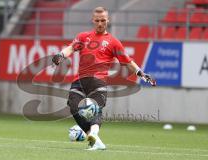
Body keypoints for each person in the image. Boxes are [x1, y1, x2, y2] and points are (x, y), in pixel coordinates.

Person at [52, 7, 156, 150]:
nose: (100, 23)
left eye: (103, 20)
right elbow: (70, 48)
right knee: (73, 106)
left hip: (98, 82)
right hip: (80, 80)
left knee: (96, 108)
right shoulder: (83, 37)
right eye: (97, 20)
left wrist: (141, 73)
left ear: (108, 20)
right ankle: (94, 138)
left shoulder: (113, 42)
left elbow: (127, 61)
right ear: (93, 21)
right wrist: (60, 55)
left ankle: (94, 135)